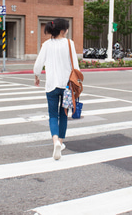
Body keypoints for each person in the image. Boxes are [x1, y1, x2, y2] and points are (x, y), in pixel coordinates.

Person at [33, 18, 80, 160]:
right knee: (64, 115)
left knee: (53, 115)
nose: (67, 31)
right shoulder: (69, 43)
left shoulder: (46, 44)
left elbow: (38, 64)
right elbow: (76, 66)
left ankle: (55, 141)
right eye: (66, 29)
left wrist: (37, 76)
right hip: (67, 86)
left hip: (51, 85)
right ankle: (60, 141)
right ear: (62, 30)